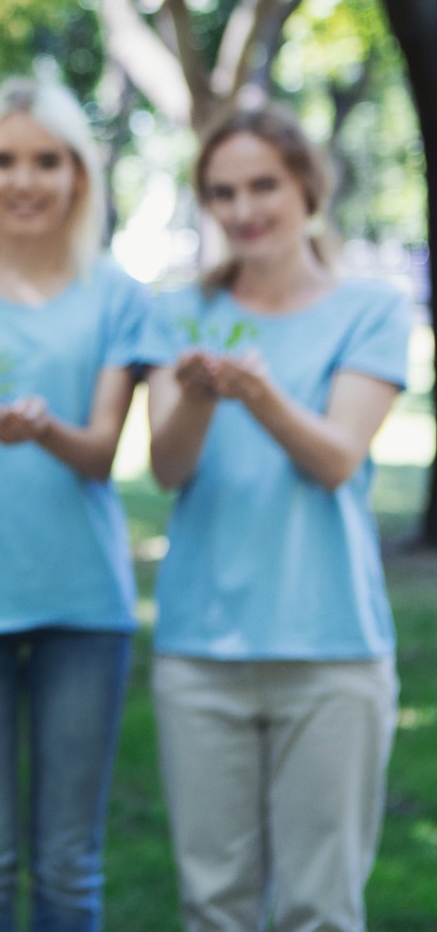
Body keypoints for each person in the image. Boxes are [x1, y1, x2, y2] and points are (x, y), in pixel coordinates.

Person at [0, 77, 159, 931]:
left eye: (46, 161)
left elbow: (101, 454)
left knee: (66, 864)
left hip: (83, 603)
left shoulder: (118, 295)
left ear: (79, 176)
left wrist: (45, 428)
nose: (25, 180)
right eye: (5, 160)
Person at [145, 105, 406, 932]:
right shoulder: (178, 315)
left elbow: (336, 460)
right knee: (213, 904)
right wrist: (192, 399)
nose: (243, 208)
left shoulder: (371, 310)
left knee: (320, 908)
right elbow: (166, 467)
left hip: (331, 649)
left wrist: (259, 395)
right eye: (223, 192)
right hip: (199, 649)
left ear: (307, 187)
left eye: (263, 185)